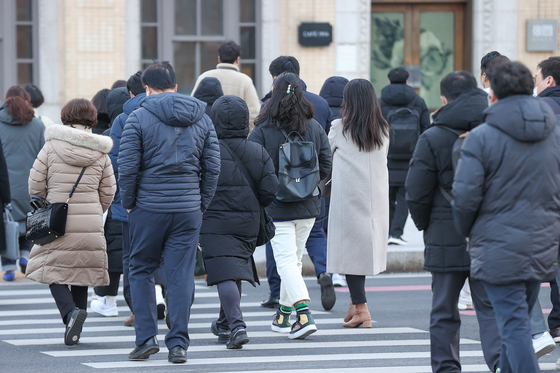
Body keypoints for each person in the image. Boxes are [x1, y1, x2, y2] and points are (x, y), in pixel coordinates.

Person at [453, 61, 560, 373]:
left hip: (498, 244)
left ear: (494, 93)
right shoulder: (552, 133)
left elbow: (465, 197)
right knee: (518, 318)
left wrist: (468, 232)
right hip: (542, 241)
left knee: (513, 327)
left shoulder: (481, 137)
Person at [119, 61, 220, 363]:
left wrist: (129, 201)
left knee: (140, 269)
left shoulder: (138, 117)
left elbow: (127, 167)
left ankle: (146, 338)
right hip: (188, 207)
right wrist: (200, 202)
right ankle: (178, 345)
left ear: (146, 89)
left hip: (147, 206)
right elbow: (213, 168)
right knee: (180, 276)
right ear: (177, 86)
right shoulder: (202, 118)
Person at [405, 71, 501, 373]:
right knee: (490, 306)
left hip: (445, 229)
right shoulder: (496, 129)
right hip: (490, 230)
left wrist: (425, 225)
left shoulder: (433, 136)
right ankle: (500, 363)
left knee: (445, 309)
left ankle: (447, 368)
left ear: (444, 99)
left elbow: (417, 191)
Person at [25, 98, 116, 345]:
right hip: (89, 224)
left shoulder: (52, 146)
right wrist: (96, 211)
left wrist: (44, 202)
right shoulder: (101, 152)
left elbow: (35, 184)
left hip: (57, 221)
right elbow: (109, 191)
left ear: (66, 117)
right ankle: (74, 328)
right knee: (81, 273)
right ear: (92, 119)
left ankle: (69, 314)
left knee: (50, 269)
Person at [249, 72, 332, 340]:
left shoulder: (262, 130)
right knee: (293, 261)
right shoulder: (315, 127)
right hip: (309, 206)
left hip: (278, 207)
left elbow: (252, 167)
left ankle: (304, 315)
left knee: (285, 261)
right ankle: (284, 315)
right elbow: (327, 165)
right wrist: (309, 186)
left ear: (273, 95)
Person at [201, 95, 278, 349]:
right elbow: (270, 190)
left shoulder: (208, 150)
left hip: (214, 221)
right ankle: (224, 324)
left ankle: (237, 325)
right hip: (248, 221)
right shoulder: (257, 150)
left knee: (225, 272)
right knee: (233, 270)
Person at [327, 79, 389, 328]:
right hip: (375, 200)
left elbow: (326, 157)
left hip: (348, 198)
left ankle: (362, 309)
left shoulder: (339, 128)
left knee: (350, 251)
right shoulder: (383, 129)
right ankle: (354, 304)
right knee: (361, 251)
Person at [89, 86, 130, 317]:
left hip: (112, 205)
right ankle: (155, 298)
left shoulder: (102, 138)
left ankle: (107, 300)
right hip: (140, 203)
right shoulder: (143, 128)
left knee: (112, 253)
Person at [379, 67, 430, 246]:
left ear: (389, 81)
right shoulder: (418, 101)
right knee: (404, 196)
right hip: (410, 157)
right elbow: (426, 130)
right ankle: (396, 233)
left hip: (386, 157)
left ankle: (385, 233)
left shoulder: (380, 102)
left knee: (386, 196)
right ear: (407, 81)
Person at [0, 86, 45, 281]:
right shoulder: (37, 125)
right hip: (29, 184)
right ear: (26, 100)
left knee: (6, 222)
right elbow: (44, 159)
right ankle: (26, 256)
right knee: (28, 220)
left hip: (5, 185)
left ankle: (9, 267)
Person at [319, 75, 349, 288]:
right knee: (342, 225)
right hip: (345, 176)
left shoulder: (319, 110)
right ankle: (340, 271)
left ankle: (328, 268)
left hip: (323, 178)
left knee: (323, 226)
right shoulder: (350, 115)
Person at [191, 41, 260, 129]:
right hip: (235, 136)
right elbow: (254, 114)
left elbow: (192, 107)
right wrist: (245, 135)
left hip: (205, 135)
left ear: (219, 59)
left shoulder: (204, 77)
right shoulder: (245, 80)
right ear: (237, 60)